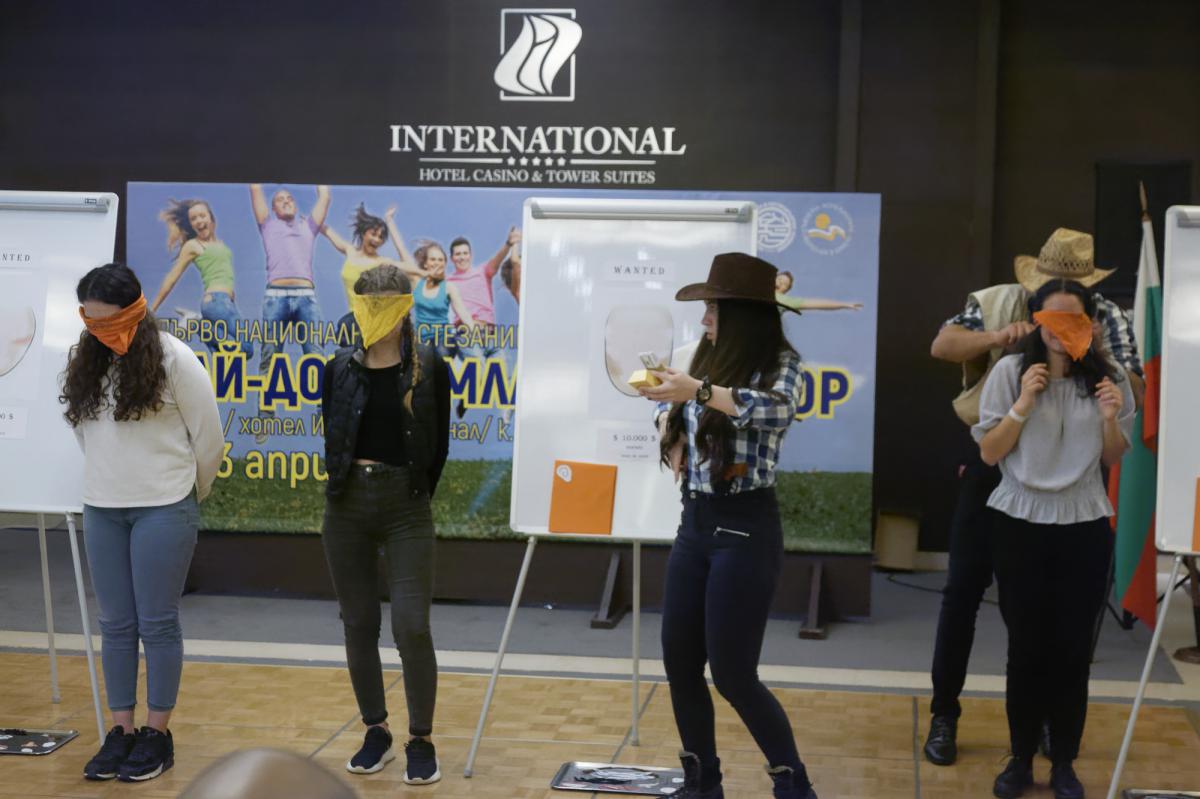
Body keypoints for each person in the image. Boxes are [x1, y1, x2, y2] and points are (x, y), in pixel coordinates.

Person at [922, 228, 1143, 768]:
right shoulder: (996, 301)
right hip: (998, 454)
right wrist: (1001, 338)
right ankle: (944, 712)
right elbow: (942, 345)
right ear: (1034, 279)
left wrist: (1091, 361)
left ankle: (1045, 725)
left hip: (1073, 467)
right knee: (963, 591)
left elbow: (1132, 382)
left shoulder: (1106, 316)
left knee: (1054, 617)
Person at [638, 253, 816, 799]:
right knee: (680, 661)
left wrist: (696, 390)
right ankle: (702, 783)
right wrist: (669, 431)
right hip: (696, 523)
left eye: (713, 308)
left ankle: (794, 785)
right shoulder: (705, 356)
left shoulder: (780, 362)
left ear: (742, 314)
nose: (705, 318)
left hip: (745, 528)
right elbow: (676, 410)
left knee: (734, 674)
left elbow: (777, 410)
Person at [60, 263, 223, 782]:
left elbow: (209, 439)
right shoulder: (84, 361)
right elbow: (84, 433)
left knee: (157, 622)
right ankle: (121, 730)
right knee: (115, 624)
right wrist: (109, 480)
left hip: (164, 506)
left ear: (135, 310)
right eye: (92, 321)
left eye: (110, 320)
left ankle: (156, 734)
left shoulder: (176, 359)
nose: (101, 331)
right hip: (102, 507)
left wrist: (186, 494)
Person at [975, 279, 1132, 799]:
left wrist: (1110, 418)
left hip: (1083, 522)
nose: (1062, 332)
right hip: (1019, 521)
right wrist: (1023, 403)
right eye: (1052, 320)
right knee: (1025, 647)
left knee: (1072, 650)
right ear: (1036, 321)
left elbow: (1114, 457)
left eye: (1075, 321)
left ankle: (1063, 760)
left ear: (1091, 324)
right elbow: (990, 453)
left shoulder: (1110, 378)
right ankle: (1020, 758)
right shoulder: (1009, 372)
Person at [319, 264, 450, 785]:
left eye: (385, 308)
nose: (376, 317)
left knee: (411, 625)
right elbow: (333, 434)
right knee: (358, 622)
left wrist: (410, 492)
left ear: (404, 309)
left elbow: (438, 446)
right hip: (346, 506)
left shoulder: (429, 367)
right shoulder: (338, 367)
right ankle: (377, 730)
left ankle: (421, 738)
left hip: (406, 506)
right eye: (367, 307)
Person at [249, 184, 330, 442]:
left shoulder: (309, 226)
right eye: (280, 199)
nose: (286, 201)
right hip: (276, 297)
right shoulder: (268, 225)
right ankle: (265, 417)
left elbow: (325, 195)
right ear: (272, 208)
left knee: (316, 357)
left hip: (306, 297)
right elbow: (254, 188)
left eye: (290, 198)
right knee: (270, 357)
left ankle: (323, 416)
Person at [153, 198, 251, 356]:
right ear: (191, 224)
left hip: (226, 303)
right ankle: (197, 322)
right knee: (246, 348)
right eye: (193, 218)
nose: (199, 221)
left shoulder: (220, 243)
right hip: (215, 302)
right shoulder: (193, 245)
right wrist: (152, 309)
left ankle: (198, 324)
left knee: (223, 353)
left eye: (202, 216)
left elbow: (223, 272)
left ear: (211, 218)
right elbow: (172, 278)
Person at [320, 203, 424, 345]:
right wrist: (310, 223)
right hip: (355, 319)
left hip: (374, 318)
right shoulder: (350, 251)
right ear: (364, 233)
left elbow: (411, 268)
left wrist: (428, 272)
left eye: (381, 237)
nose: (376, 240)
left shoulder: (381, 261)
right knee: (344, 331)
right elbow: (327, 230)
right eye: (373, 234)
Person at [446, 227, 519, 360]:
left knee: (499, 370)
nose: (462, 257)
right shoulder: (448, 281)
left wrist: (508, 244)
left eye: (465, 253)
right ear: (452, 258)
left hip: (491, 335)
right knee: (478, 369)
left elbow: (497, 260)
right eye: (458, 254)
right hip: (467, 334)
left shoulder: (483, 272)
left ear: (471, 255)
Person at [411, 241, 476, 358]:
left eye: (441, 260)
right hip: (422, 338)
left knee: (441, 351)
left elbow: (463, 313)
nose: (437, 263)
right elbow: (403, 265)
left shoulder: (448, 287)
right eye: (433, 259)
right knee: (422, 351)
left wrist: (475, 333)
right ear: (425, 264)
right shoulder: (417, 283)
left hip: (443, 338)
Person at [774, 270, 863, 313]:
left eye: (785, 284)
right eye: (780, 279)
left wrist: (844, 305)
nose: (781, 282)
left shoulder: (785, 301)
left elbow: (817, 303)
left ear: (786, 291)